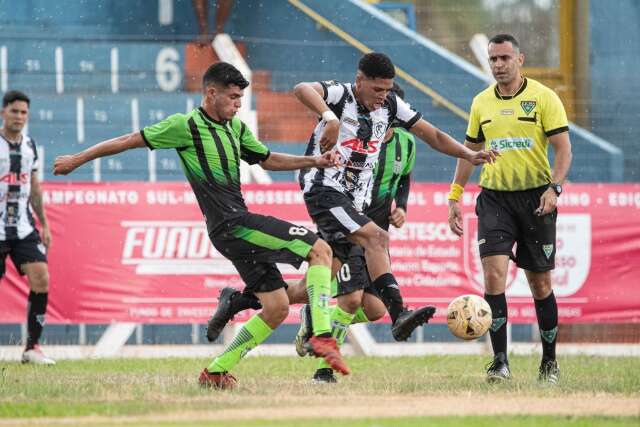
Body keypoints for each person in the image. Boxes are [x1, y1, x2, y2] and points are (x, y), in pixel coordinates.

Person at [53, 62, 349, 389]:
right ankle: (322, 335)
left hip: (233, 230)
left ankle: (216, 371)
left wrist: (314, 161)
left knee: (277, 307)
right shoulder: (185, 126)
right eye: (233, 97)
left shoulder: (235, 128)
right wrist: (76, 159)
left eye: (240, 98)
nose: (238, 104)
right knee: (320, 250)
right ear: (211, 93)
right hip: (232, 224)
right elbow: (128, 139)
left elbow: (265, 159)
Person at [205, 82, 424, 384]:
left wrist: (401, 206)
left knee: (370, 309)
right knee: (349, 299)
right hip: (348, 225)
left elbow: (403, 179)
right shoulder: (355, 133)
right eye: (377, 103)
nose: (379, 111)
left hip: (374, 233)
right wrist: (328, 124)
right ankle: (323, 367)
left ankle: (247, 302)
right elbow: (323, 148)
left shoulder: (405, 143)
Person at [294, 52, 497, 358]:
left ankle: (253, 300)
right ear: (359, 81)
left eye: (388, 89)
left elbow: (434, 135)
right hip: (324, 188)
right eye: (377, 89)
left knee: (325, 274)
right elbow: (301, 88)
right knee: (377, 238)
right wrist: (329, 117)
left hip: (353, 203)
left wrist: (467, 155)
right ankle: (399, 313)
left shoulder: (390, 106)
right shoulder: (340, 94)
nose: (383, 96)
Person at [447, 34, 572, 385]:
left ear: (520, 59)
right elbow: (469, 152)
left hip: (536, 200)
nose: (498, 65)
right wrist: (454, 196)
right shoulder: (481, 103)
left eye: (504, 58)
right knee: (494, 277)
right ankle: (500, 361)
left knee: (541, 284)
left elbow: (564, 150)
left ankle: (549, 363)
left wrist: (554, 187)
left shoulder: (544, 98)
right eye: (493, 60)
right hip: (495, 199)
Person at [0, 90, 54, 365]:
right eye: (14, 111)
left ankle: (32, 347)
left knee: (41, 278)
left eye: (23, 113)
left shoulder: (29, 146)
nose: (19, 117)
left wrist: (43, 223)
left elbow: (34, 187)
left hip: (22, 227)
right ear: (3, 112)